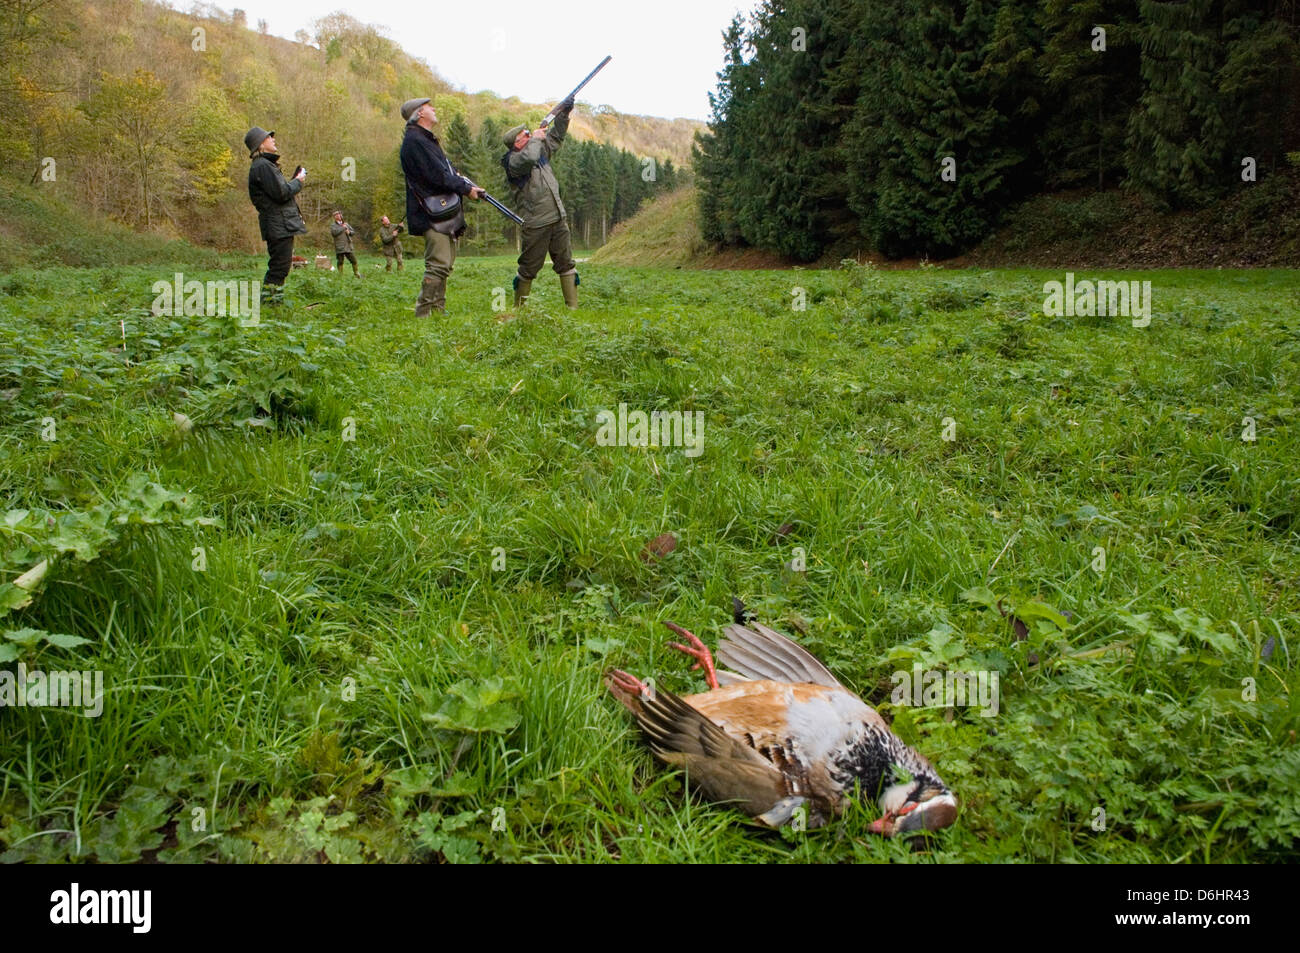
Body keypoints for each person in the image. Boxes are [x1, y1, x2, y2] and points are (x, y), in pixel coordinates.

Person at [398, 97, 483, 316]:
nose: (434, 108)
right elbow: (438, 176)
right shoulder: (415, 141)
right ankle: (424, 314)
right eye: (429, 107)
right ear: (419, 114)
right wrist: (466, 189)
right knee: (438, 264)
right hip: (431, 213)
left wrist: (466, 184)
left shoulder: (425, 139)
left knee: (444, 264)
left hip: (439, 212)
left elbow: (447, 172)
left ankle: (437, 311)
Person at [501, 96, 578, 308]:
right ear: (517, 143)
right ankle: (519, 311)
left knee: (566, 264)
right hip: (536, 223)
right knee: (528, 269)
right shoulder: (514, 161)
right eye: (525, 134)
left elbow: (555, 139)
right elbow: (530, 157)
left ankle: (573, 310)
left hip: (557, 217)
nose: (529, 134)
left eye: (528, 133)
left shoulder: (537, 150)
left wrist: (563, 115)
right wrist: (536, 138)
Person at [245, 126, 307, 305]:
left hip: (278, 223)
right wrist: (298, 182)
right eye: (269, 137)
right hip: (278, 224)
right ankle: (270, 306)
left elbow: (277, 192)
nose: (273, 138)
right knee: (279, 268)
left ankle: (271, 304)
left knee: (280, 267)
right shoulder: (263, 166)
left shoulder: (264, 165)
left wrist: (293, 183)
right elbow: (281, 193)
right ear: (261, 145)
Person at [330, 211, 360, 277]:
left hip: (348, 246)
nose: (338, 216)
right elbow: (334, 233)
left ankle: (356, 274)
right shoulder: (333, 225)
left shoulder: (346, 224)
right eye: (336, 215)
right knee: (340, 262)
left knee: (354, 260)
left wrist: (349, 232)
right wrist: (342, 228)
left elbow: (353, 232)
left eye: (339, 215)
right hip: (339, 246)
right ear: (334, 217)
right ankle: (341, 275)